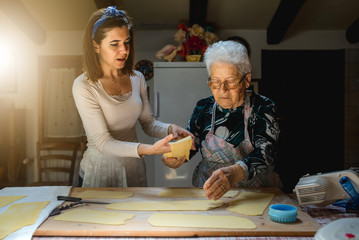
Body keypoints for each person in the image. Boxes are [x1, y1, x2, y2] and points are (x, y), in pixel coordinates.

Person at [73, 6, 192, 187]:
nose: (124, 50)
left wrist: (171, 129)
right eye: (115, 44)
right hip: (101, 170)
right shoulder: (84, 85)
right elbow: (104, 143)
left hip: (133, 167)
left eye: (126, 42)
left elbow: (148, 124)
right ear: (95, 46)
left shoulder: (137, 78)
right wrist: (150, 150)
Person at [162, 40, 282, 200]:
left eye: (230, 82)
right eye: (215, 82)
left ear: (246, 80)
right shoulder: (203, 107)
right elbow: (191, 145)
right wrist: (175, 155)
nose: (222, 90)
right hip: (210, 194)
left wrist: (236, 172)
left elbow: (267, 153)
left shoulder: (263, 107)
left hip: (256, 196)